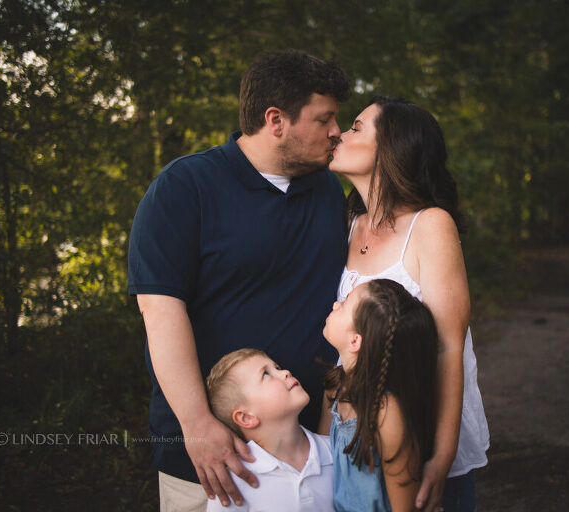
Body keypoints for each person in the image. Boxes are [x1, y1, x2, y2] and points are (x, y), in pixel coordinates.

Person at [127, 50, 349, 511]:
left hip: (312, 449)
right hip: (214, 455)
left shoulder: (328, 190)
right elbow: (160, 310)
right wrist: (196, 425)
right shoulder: (185, 187)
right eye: (325, 118)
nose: (336, 132)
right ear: (276, 120)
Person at [327, 96, 490, 512]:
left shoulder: (430, 224)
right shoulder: (349, 225)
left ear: (393, 147)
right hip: (360, 444)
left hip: (418, 438)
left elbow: (449, 345)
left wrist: (441, 454)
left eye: (356, 127)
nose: (339, 134)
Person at [321, 279, 439, 512]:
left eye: (344, 305)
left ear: (355, 341)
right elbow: (324, 456)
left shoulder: (385, 412)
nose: (335, 304)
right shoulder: (335, 386)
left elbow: (404, 507)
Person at [204, 349, 334, 511]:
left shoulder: (338, 452)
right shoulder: (235, 482)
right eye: (265, 374)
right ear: (246, 418)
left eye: (277, 368)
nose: (286, 372)